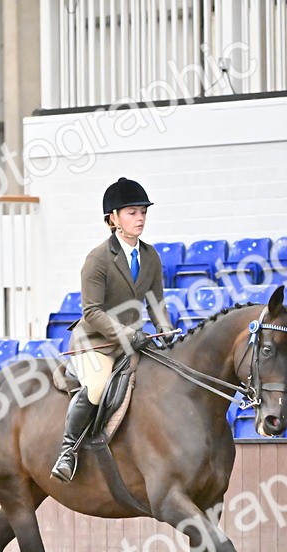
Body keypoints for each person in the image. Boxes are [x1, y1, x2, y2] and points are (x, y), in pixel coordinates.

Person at [50, 177, 175, 483]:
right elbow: (91, 312)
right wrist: (127, 335)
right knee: (96, 387)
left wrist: (166, 329)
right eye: (132, 212)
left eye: (143, 212)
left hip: (136, 341)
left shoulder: (150, 256)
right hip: (97, 342)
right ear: (113, 218)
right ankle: (68, 451)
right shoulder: (98, 259)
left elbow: (156, 302)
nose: (140, 218)